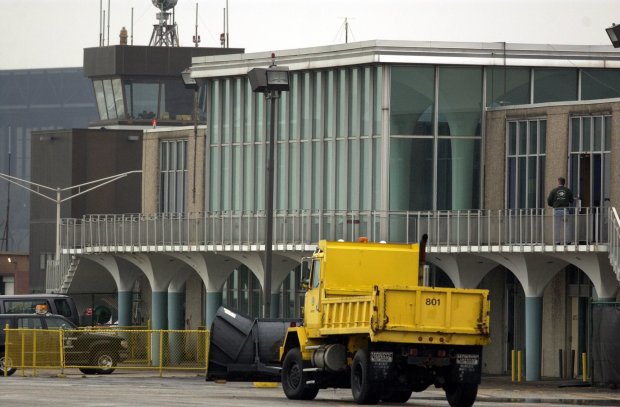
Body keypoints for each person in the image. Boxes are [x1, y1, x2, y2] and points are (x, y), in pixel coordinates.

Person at [547, 177, 574, 243]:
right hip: (565, 211)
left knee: (557, 226)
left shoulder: (554, 191)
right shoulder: (568, 190)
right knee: (566, 226)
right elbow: (571, 200)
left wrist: (554, 205)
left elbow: (549, 201)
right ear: (564, 183)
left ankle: (557, 242)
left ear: (558, 182)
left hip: (557, 211)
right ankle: (568, 241)